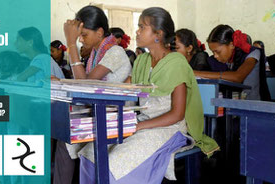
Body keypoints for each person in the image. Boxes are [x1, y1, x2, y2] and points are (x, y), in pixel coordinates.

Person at [78, 7, 219, 183]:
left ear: (158, 34)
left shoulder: (176, 63)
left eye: (142, 27)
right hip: (142, 122)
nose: (137, 31)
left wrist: (139, 126)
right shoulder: (142, 61)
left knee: (116, 163)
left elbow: (177, 114)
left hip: (170, 128)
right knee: (90, 152)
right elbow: (124, 88)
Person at [54, 5, 132, 184]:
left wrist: (71, 43)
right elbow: (85, 82)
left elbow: (85, 86)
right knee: (62, 133)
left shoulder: (115, 52)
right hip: (99, 113)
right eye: (79, 36)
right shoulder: (96, 54)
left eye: (84, 35)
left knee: (65, 136)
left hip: (114, 119)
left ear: (100, 32)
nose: (81, 40)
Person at [195, 24, 270, 101]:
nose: (215, 56)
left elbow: (238, 76)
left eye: (217, 52)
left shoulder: (252, 53)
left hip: (254, 106)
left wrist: (197, 73)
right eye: (213, 52)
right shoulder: (214, 61)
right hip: (230, 106)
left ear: (231, 45)